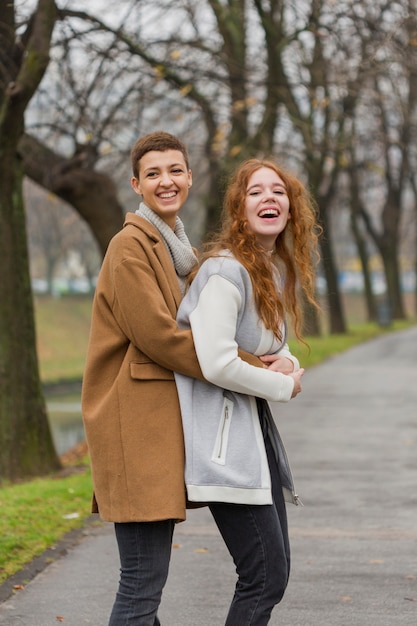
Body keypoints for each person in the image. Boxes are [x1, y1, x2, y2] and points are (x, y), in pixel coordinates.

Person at [81, 132, 266, 626]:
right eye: (154, 173)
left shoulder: (176, 249)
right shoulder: (129, 248)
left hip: (156, 431)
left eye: (175, 171)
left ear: (189, 176)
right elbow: (161, 337)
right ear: (136, 184)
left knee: (145, 585)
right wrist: (247, 364)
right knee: (141, 584)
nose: (167, 181)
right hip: (134, 430)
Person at [175, 157, 320, 625]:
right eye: (256, 192)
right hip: (224, 445)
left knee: (272, 573)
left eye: (278, 191)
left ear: (291, 208)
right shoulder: (224, 271)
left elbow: (270, 346)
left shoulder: (269, 270)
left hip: (252, 437)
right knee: (264, 576)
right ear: (239, 209)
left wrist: (290, 363)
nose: (269, 198)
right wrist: (283, 384)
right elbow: (216, 360)